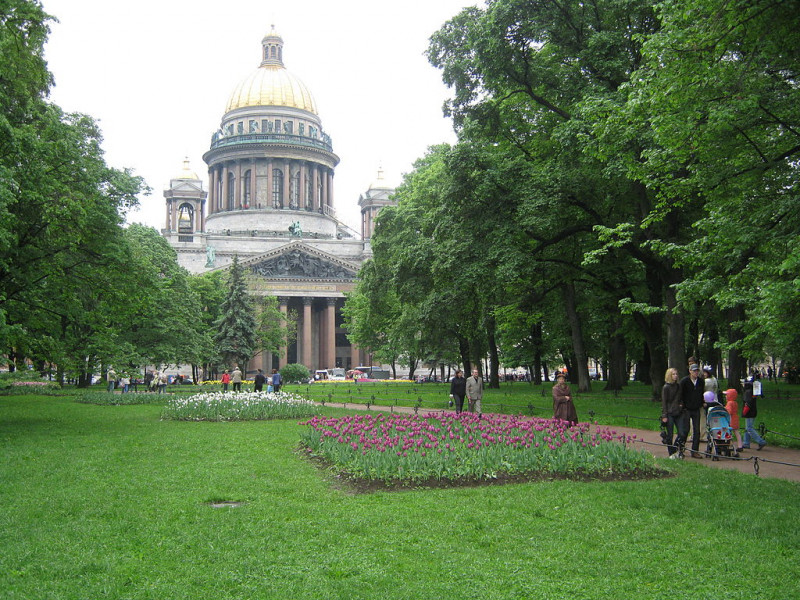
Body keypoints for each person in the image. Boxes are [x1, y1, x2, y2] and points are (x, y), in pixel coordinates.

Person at [680, 363, 705, 458]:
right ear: (690, 371)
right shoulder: (684, 381)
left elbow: (701, 393)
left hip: (696, 408)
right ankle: (681, 448)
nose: (696, 372)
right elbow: (680, 394)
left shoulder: (701, 381)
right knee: (685, 430)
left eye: (697, 371)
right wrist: (682, 405)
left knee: (697, 430)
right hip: (686, 409)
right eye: (694, 371)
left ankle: (695, 450)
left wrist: (702, 402)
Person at [661, 367, 686, 459]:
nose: (675, 376)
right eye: (673, 374)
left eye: (676, 374)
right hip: (669, 413)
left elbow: (681, 398)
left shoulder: (678, 386)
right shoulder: (666, 387)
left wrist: (681, 405)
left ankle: (675, 448)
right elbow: (664, 402)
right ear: (669, 375)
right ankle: (671, 453)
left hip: (678, 412)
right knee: (670, 434)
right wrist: (664, 415)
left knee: (682, 433)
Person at [741, 379, 767, 451]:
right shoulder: (753, 392)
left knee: (749, 428)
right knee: (747, 428)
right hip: (753, 411)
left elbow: (748, 403)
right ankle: (746, 443)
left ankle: (761, 441)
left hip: (749, 412)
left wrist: (744, 411)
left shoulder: (748, 392)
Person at [724, 388, 744, 453]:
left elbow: (729, 412)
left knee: (728, 432)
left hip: (731, 419)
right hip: (735, 418)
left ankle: (728, 444)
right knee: (737, 432)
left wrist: (724, 410)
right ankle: (740, 445)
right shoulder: (735, 402)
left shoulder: (729, 403)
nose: (725, 396)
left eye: (726, 395)